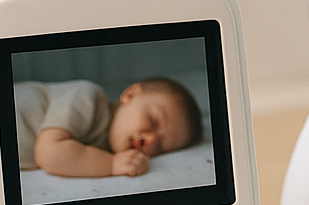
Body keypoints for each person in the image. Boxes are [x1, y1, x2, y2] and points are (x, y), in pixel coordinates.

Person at [14, 76, 202, 179]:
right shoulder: (87, 97)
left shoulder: (102, 143)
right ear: (130, 95)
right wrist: (111, 165)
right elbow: (50, 154)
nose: (150, 140)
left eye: (160, 146)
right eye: (153, 121)